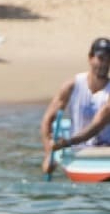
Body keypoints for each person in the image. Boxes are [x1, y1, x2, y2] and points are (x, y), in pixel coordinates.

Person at [41, 37, 110, 174]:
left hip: (104, 150)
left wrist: (67, 142)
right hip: (77, 151)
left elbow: (96, 127)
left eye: (108, 60)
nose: (104, 64)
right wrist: (49, 153)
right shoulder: (72, 86)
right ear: (90, 58)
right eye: (101, 58)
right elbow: (47, 120)